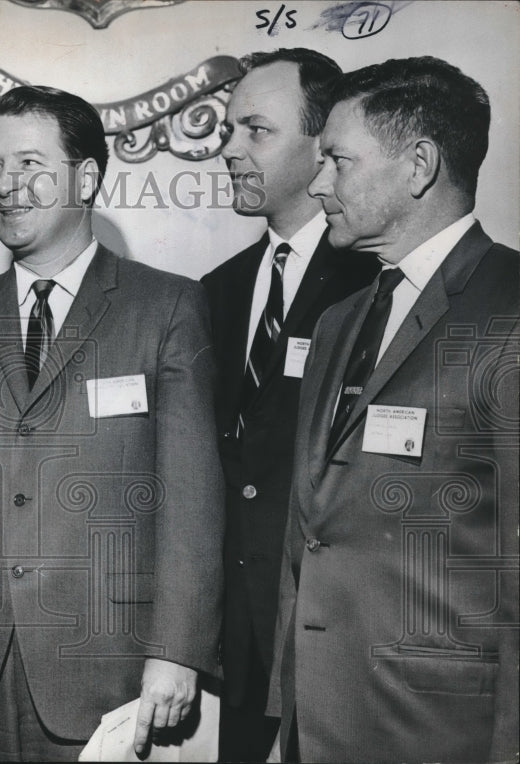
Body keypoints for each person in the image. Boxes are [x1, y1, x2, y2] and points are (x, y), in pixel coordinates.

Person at [0, 85, 224, 761]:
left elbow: (191, 499)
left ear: (88, 177)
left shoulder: (166, 309)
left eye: (30, 164)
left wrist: (177, 653)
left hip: (109, 677)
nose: (5, 185)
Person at [268, 56, 518, 762]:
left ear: (418, 166)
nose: (317, 186)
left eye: (338, 163)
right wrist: (286, 721)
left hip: (440, 735)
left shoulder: (510, 311)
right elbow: (307, 533)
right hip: (318, 724)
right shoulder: (339, 321)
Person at [201, 48, 378, 762]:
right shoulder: (214, 290)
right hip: (242, 651)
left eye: (255, 130)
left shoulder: (377, 287)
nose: (229, 150)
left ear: (321, 143)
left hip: (344, 650)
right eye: (229, 130)